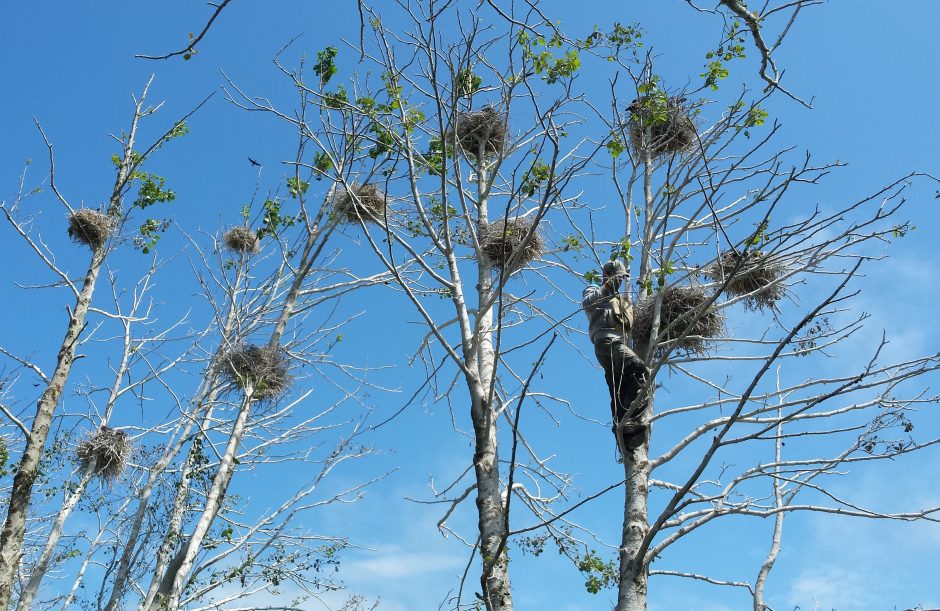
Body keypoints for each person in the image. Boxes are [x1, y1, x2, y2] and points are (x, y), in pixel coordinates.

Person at [582, 260, 651, 452]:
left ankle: (623, 436)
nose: (620, 280)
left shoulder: (621, 301)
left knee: (619, 392)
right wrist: (607, 286)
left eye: (622, 278)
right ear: (608, 275)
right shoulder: (594, 290)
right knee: (642, 372)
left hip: (618, 346)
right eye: (618, 276)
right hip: (606, 344)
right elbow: (587, 303)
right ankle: (632, 419)